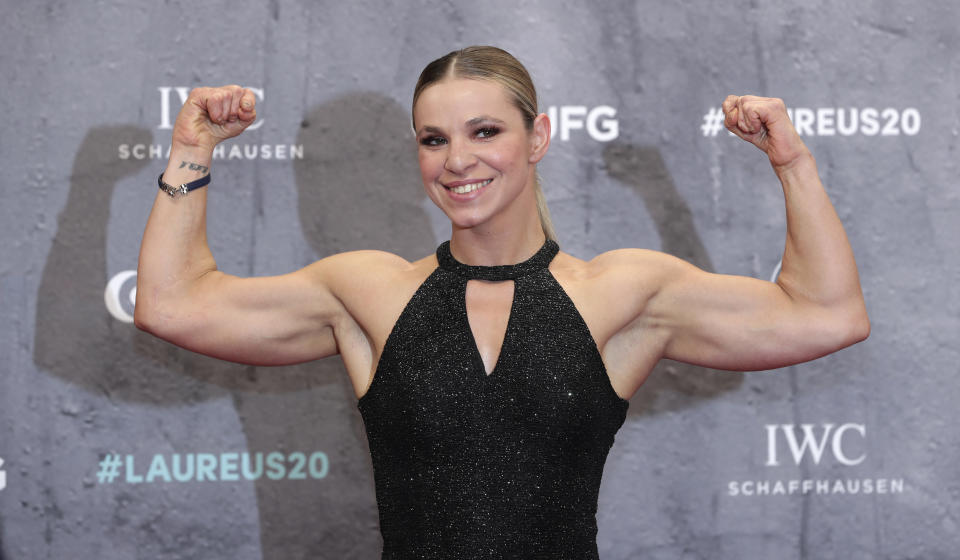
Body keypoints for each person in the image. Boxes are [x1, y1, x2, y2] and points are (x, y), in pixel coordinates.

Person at [136, 46, 869, 558]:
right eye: (434, 138)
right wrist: (191, 148)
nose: (457, 160)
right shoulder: (371, 291)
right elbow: (173, 304)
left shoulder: (619, 294)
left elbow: (826, 314)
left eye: (485, 131)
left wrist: (791, 162)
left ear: (537, 136)